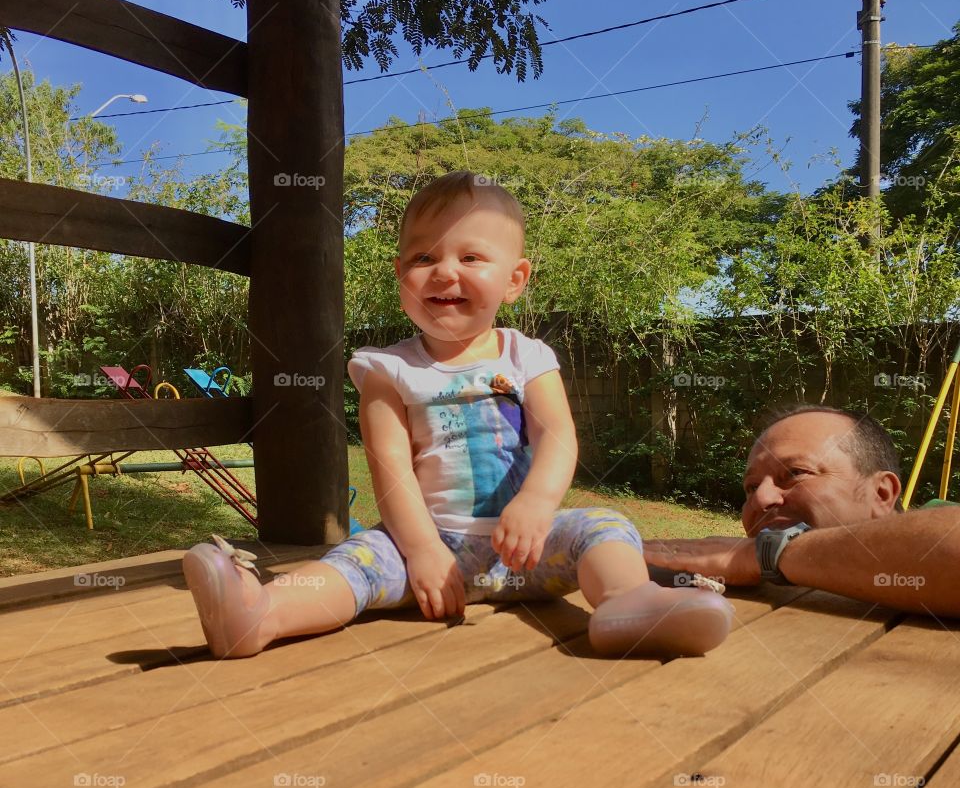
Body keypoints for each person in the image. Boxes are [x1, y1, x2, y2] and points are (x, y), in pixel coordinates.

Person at [182, 171, 733, 659]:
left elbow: (558, 436)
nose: (444, 272)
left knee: (606, 525)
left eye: (470, 257)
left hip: (531, 547)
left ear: (514, 279)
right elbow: (389, 468)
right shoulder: (387, 370)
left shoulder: (527, 357)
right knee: (356, 558)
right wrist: (420, 550)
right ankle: (260, 615)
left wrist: (539, 504)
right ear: (402, 276)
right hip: (429, 549)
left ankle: (630, 605)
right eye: (424, 258)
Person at [644, 405, 960, 618]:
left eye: (795, 473)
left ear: (881, 494)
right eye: (752, 487)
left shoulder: (941, 519)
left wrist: (767, 553)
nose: (761, 500)